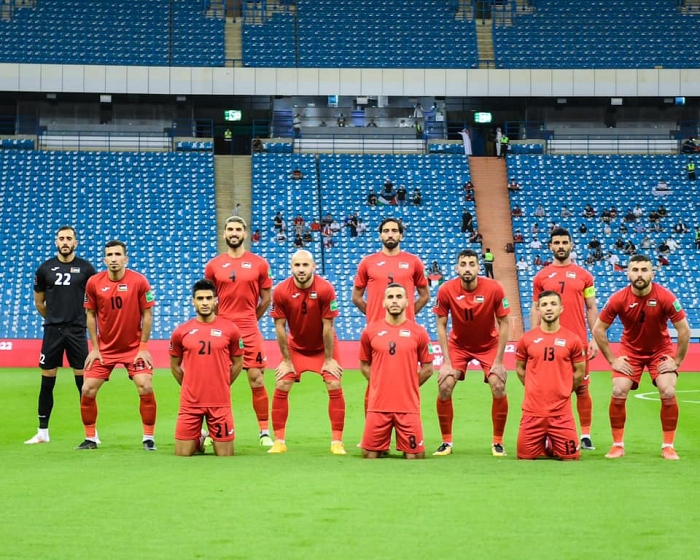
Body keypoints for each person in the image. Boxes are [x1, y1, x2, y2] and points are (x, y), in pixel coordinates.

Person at [593, 254, 690, 460]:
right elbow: (598, 329)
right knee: (618, 390)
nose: (639, 274)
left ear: (652, 273)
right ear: (627, 273)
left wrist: (677, 361)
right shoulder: (618, 298)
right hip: (630, 351)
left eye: (644, 270)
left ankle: (668, 446)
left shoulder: (666, 297)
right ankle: (617, 445)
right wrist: (612, 360)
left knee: (668, 390)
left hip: (660, 351)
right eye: (635, 270)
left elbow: (684, 330)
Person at [78, 240, 156, 450]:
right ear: (105, 260)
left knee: (145, 385)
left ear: (125, 259)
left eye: (117, 254)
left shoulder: (139, 281)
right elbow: (91, 315)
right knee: (87, 389)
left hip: (133, 349)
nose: (114, 259)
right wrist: (95, 348)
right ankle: (90, 438)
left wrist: (143, 347)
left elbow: (148, 314)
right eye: (110, 255)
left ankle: (148, 438)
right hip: (105, 350)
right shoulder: (94, 283)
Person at [432, 250, 510, 456]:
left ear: (478, 267)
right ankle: (446, 442)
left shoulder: (494, 288)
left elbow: (504, 323)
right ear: (457, 268)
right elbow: (441, 324)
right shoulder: (446, 290)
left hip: (488, 345)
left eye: (471, 264)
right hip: (458, 346)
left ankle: (498, 442)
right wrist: (446, 362)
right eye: (463, 264)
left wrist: (499, 361)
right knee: (444, 386)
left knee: (498, 385)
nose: (467, 268)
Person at [268, 251, 346, 455]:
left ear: (313, 267)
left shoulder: (325, 289)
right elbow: (279, 327)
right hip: (296, 346)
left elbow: (328, 325)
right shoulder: (281, 290)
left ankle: (337, 442)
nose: (301, 269)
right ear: (291, 267)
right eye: (297, 265)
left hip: (323, 347)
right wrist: (286, 360)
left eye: (305, 265)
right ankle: (279, 441)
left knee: (334, 383)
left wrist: (329, 359)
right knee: (282, 383)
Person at [204, 216, 274, 447]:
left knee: (256, 379)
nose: (234, 233)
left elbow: (266, 299)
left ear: (245, 233)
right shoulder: (213, 265)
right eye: (230, 229)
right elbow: (209, 299)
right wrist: (220, 322)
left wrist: (250, 319)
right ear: (224, 233)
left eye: (238, 229)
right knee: (218, 381)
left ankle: (264, 432)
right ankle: (213, 430)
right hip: (222, 331)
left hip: (249, 329)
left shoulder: (260, 264)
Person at [25, 226, 97, 445]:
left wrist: (76, 320)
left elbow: (95, 302)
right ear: (56, 242)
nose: (65, 242)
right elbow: (39, 303)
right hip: (53, 332)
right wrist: (55, 317)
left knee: (84, 384)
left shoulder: (87, 269)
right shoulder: (44, 269)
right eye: (61, 238)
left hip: (77, 331)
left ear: (75, 243)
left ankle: (91, 433)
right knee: (47, 382)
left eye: (69, 239)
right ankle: (42, 432)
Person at [531, 228, 599, 450]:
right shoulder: (541, 277)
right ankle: (547, 433)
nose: (560, 246)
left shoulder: (585, 276)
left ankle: (585, 435)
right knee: (548, 390)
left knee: (582, 388)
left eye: (564, 242)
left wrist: (595, 338)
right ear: (550, 246)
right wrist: (533, 337)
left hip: (578, 341)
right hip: (549, 342)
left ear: (571, 245)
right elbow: (536, 308)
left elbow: (591, 308)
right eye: (557, 243)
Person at [170, 279, 244, 457]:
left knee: (225, 455)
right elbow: (174, 365)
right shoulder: (181, 331)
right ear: (193, 301)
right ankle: (200, 438)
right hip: (190, 403)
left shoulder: (230, 329)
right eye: (200, 298)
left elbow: (238, 363)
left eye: (209, 298)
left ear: (216, 301)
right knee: (182, 454)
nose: (205, 302)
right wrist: (189, 385)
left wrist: (223, 383)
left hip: (220, 402)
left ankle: (208, 436)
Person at [360, 284, 434, 459]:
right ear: (383, 302)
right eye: (390, 297)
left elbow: (428, 368)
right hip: (379, 405)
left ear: (407, 302)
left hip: (407, 405)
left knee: (415, 456)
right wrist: (378, 384)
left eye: (399, 297)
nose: (394, 301)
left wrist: (408, 386)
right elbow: (364, 365)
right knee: (369, 454)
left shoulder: (419, 332)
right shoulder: (370, 331)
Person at [515, 291, 586, 460]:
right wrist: (533, 387)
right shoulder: (526, 339)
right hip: (532, 413)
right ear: (538, 309)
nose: (549, 308)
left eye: (553, 304)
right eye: (544, 305)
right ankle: (546, 442)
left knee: (571, 458)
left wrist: (564, 390)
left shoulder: (573, 340)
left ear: (561, 308)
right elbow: (520, 369)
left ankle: (550, 442)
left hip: (561, 414)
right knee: (524, 457)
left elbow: (579, 372)